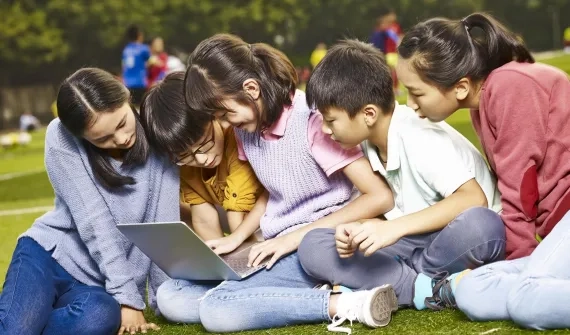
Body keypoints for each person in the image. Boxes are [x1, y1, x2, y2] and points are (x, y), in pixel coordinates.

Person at [156, 34, 398, 334]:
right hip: (276, 244)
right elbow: (273, 193)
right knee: (169, 295)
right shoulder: (249, 128)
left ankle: (346, 304)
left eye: (226, 113)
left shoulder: (312, 121)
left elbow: (378, 197)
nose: (227, 124)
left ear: (251, 89)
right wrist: (238, 237)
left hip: (317, 245)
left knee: (217, 309)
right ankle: (270, 297)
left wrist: (291, 239)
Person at [298, 39, 505, 325]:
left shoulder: (419, 136)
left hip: (456, 237)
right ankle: (422, 287)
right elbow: (399, 211)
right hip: (415, 243)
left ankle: (391, 282)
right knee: (312, 244)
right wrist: (358, 233)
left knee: (483, 226)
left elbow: (473, 200)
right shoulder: (368, 143)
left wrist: (391, 229)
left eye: (331, 120)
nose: (325, 129)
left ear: (368, 114)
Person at [396, 12, 570, 329]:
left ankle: (533, 291)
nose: (411, 104)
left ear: (460, 87)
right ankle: (536, 288)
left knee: (525, 300)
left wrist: (518, 261)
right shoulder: (485, 101)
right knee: (472, 292)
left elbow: (520, 190)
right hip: (559, 234)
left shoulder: (509, 87)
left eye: (417, 92)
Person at [0, 68, 179, 335]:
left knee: (100, 317)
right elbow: (95, 223)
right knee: (14, 330)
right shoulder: (61, 137)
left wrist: (161, 300)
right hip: (48, 258)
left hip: (95, 288)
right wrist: (128, 299)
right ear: (83, 137)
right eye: (102, 139)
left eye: (121, 123)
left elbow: (163, 225)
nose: (120, 139)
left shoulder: (160, 139)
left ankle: (32, 313)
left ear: (126, 97)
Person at [140, 71, 265, 250]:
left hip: (270, 227)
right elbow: (203, 218)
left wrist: (244, 264)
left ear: (214, 114)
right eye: (184, 155)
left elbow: (238, 215)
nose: (201, 159)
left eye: (205, 143)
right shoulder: (185, 165)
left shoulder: (239, 139)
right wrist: (219, 262)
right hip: (239, 228)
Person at [122, 24, 150, 107]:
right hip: (140, 82)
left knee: (132, 107)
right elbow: (149, 60)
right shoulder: (143, 49)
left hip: (128, 83)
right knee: (141, 107)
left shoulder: (126, 50)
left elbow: (124, 65)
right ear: (139, 35)